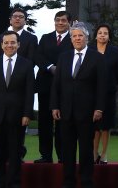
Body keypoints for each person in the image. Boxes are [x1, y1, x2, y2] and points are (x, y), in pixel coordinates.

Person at [51, 23, 107, 188]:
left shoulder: (97, 58)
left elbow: (102, 86)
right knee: (67, 150)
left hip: (88, 112)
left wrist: (99, 108)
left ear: (87, 38)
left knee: (85, 150)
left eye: (80, 36)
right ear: (71, 39)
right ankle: (68, 182)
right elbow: (57, 84)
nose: (77, 38)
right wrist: (54, 106)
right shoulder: (64, 57)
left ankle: (86, 181)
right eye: (74, 36)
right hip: (65, 111)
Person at [0, 31, 35, 188]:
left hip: (18, 116)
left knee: (15, 152)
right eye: (6, 42)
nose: (9, 45)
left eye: (13, 42)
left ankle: (14, 183)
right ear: (1, 44)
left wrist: (27, 113)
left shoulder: (27, 64)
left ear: (18, 44)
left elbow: (29, 92)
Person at [34, 10, 73, 163]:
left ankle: (63, 156)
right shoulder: (45, 38)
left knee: (62, 123)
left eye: (63, 20)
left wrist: (60, 69)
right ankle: (46, 155)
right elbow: (37, 56)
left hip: (65, 87)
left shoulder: (73, 38)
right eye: (58, 20)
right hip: (45, 85)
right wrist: (50, 67)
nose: (60, 23)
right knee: (44, 122)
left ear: (69, 22)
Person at [90, 23, 118, 165]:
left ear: (109, 37)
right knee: (94, 125)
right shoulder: (89, 50)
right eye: (100, 33)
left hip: (108, 92)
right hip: (91, 93)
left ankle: (104, 153)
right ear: (96, 35)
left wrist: (111, 84)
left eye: (105, 33)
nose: (102, 35)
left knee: (105, 125)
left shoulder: (115, 51)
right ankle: (94, 152)